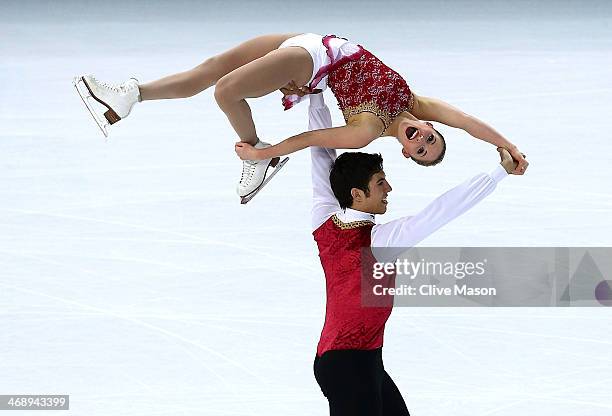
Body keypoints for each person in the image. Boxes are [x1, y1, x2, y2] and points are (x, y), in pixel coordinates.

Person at [75, 33, 527, 200]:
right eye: (431, 139)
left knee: (225, 91)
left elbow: (311, 141)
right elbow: (467, 121)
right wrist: (505, 146)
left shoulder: (364, 132)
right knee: (210, 70)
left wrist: (269, 149)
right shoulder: (416, 103)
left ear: (407, 153)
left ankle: (257, 161)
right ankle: (131, 95)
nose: (423, 141)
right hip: (312, 42)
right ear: (430, 127)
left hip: (310, 62)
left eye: (421, 151)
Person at [305, 92, 518, 415]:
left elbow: (321, 156)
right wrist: (498, 173)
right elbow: (440, 212)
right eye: (380, 183)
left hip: (355, 360)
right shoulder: (378, 243)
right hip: (350, 365)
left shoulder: (324, 220)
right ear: (357, 195)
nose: (388, 189)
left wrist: (316, 99)